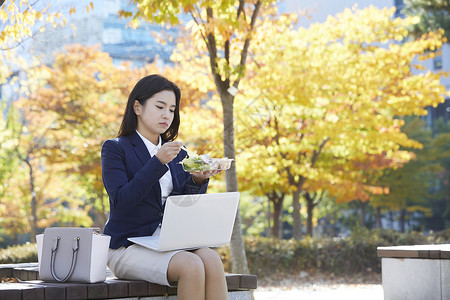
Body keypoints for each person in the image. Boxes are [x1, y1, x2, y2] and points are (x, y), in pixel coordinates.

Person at [101, 74, 228, 300]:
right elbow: (122, 201)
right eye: (160, 107)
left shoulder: (180, 153)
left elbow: (183, 209)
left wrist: (198, 180)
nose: (166, 115)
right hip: (126, 247)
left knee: (211, 259)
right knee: (191, 265)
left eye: (171, 109)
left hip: (168, 242)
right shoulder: (115, 148)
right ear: (137, 108)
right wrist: (157, 162)